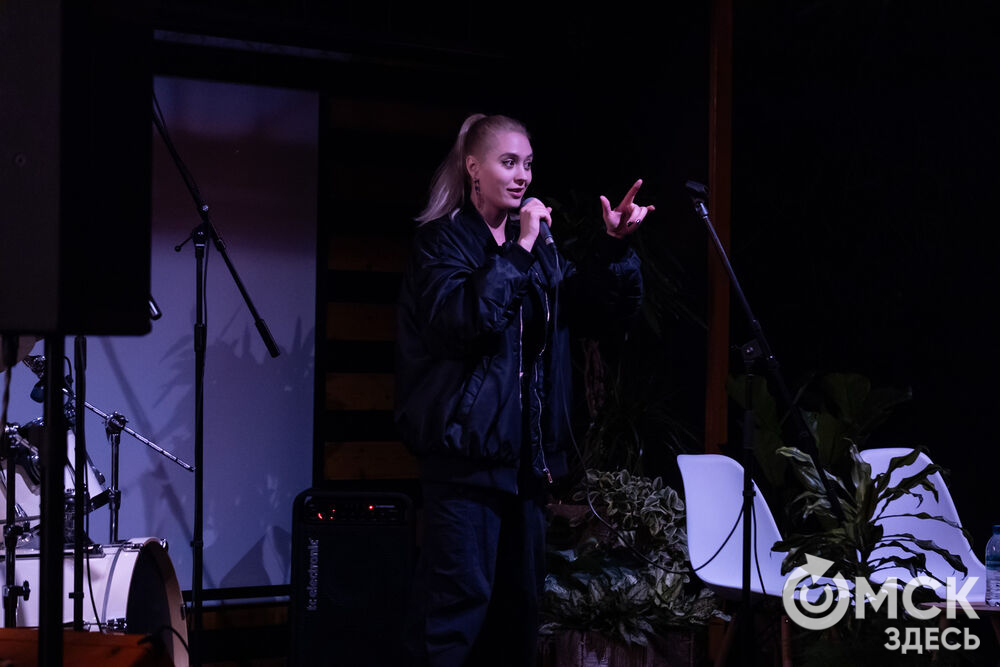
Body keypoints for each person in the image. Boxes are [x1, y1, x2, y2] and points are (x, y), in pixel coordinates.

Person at [394, 113, 651, 666]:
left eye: (528, 164)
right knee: (451, 618)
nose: (522, 176)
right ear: (473, 168)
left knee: (517, 619)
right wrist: (521, 249)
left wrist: (613, 248)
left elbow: (593, 314)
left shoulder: (534, 247)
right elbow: (463, 322)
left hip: (525, 467)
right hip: (465, 463)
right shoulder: (442, 243)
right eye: (508, 162)